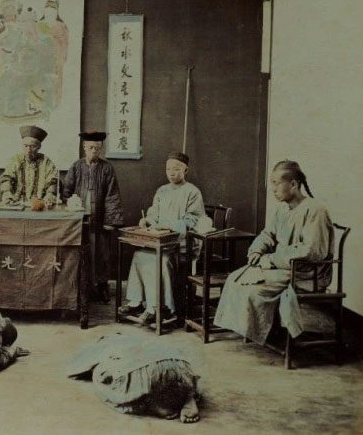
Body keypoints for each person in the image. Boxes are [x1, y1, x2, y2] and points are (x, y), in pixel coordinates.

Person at [214, 160, 333, 345]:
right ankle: (258, 331)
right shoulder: (283, 209)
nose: (273, 189)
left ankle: (266, 333)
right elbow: (268, 234)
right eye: (272, 183)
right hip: (284, 268)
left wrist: (271, 259)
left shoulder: (316, 210)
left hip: (305, 273)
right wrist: (256, 250)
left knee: (253, 290)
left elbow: (311, 252)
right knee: (235, 278)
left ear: (293, 184)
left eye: (277, 183)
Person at [118, 151, 205, 327]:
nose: (171, 172)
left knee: (160, 260)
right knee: (139, 255)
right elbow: (153, 213)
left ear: (185, 170)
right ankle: (136, 303)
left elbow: (191, 222)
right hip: (159, 242)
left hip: (181, 244)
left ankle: (160, 308)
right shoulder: (162, 191)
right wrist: (147, 220)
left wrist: (165, 225)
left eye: (176, 169)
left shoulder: (192, 192)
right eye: (168, 169)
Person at [68, 334, 200, 423]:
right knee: (168, 372)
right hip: (178, 365)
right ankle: (187, 395)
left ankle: (151, 401)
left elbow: (74, 370)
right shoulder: (143, 338)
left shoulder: (106, 344)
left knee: (99, 376)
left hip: (148, 372)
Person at [63, 131, 124, 303]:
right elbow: (67, 191)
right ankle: (80, 288)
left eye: (97, 148)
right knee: (81, 254)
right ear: (84, 148)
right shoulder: (76, 166)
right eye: (90, 147)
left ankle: (102, 287)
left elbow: (112, 195)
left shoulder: (107, 168)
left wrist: (111, 221)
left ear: (101, 149)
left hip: (99, 220)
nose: (94, 151)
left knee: (101, 254)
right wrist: (71, 205)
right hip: (80, 220)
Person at [0, 125, 58, 206]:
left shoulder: (45, 161)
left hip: (40, 204)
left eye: (32, 146)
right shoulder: (16, 160)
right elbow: (6, 178)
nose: (28, 150)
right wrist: (7, 194)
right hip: (17, 203)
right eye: (26, 146)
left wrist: (50, 194)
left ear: (39, 147)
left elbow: (53, 181)